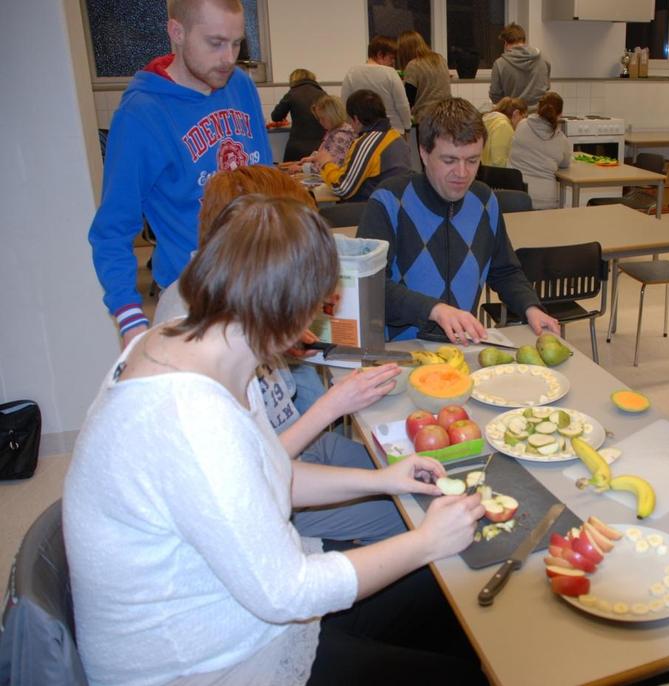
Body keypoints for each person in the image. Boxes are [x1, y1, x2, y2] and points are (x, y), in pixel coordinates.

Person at [65, 194, 487, 685]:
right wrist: (425, 541)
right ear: (285, 311)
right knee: (455, 661)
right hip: (204, 665)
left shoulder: (196, 343)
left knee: (445, 600)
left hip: (230, 611)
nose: (318, 321)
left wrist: (384, 480)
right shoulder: (192, 420)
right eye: (318, 307)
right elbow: (289, 592)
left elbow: (267, 470)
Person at [154, 165, 405, 542]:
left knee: (401, 475)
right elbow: (256, 479)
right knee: (406, 516)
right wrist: (333, 405)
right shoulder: (194, 355)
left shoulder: (228, 302)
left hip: (295, 451)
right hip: (276, 492)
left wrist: (280, 344)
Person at [88, 0, 271, 346]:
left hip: (260, 284)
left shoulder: (240, 86)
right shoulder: (142, 114)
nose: (229, 58)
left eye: (236, 43)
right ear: (177, 33)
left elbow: (267, 184)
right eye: (216, 43)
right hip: (197, 299)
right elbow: (112, 230)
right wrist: (130, 319)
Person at [356, 97, 560, 343]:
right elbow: (369, 286)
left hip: (462, 347)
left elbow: (504, 269)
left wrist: (531, 307)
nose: (462, 173)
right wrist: (434, 309)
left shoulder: (485, 200)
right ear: (423, 152)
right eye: (449, 160)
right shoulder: (389, 201)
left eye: (472, 161)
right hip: (401, 350)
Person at [313, 89, 411, 202]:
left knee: (325, 214)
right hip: (396, 204)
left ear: (356, 119)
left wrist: (326, 163)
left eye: (349, 119)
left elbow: (342, 188)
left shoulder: (367, 143)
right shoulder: (395, 137)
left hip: (374, 209)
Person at [509, 91, 572, 210]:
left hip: (515, 196)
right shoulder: (560, 139)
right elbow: (565, 163)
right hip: (545, 201)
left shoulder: (521, 125)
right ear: (560, 115)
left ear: (538, 108)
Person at [340, 34, 412, 133]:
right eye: (391, 58)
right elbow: (402, 105)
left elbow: (345, 105)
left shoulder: (352, 73)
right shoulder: (390, 73)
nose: (393, 62)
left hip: (363, 131)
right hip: (392, 131)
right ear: (380, 54)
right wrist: (407, 125)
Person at [271, 68, 326, 161]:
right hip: (320, 146)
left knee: (292, 173)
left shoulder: (292, 93)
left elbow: (276, 116)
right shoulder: (323, 94)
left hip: (297, 147)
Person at [489, 23, 551, 107]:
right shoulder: (543, 59)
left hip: (513, 115)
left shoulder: (500, 64)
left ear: (505, 43)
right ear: (524, 41)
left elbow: (495, 95)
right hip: (539, 114)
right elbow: (546, 87)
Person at [397, 30, 452, 122]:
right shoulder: (439, 59)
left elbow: (409, 99)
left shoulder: (414, 65)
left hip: (427, 117)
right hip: (447, 114)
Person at [482, 96, 527, 167]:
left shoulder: (489, 120)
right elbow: (499, 161)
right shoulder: (503, 126)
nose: (523, 122)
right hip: (494, 174)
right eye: (523, 117)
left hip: (483, 171)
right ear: (516, 113)